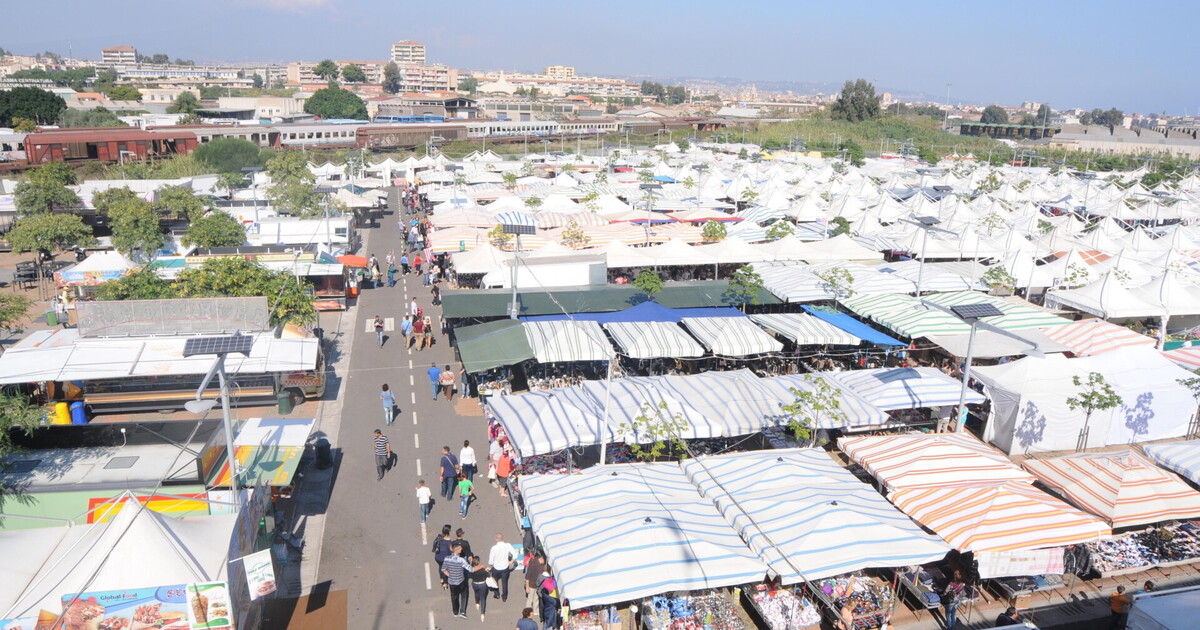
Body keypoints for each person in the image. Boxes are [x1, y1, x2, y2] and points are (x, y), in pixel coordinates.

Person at [442, 544, 471, 619]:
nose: (461, 550)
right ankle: (462, 611)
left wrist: (449, 575)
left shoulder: (447, 559)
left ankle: (455, 611)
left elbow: (443, 569)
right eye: (460, 549)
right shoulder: (461, 560)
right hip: (461, 581)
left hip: (451, 582)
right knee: (464, 595)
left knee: (454, 596)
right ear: (457, 550)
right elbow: (470, 569)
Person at [489, 533, 518, 602]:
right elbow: (515, 554)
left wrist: (492, 565)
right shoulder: (507, 545)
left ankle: (497, 593)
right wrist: (511, 561)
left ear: (496, 539)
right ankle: (504, 596)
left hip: (496, 568)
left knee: (495, 581)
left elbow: (490, 562)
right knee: (505, 583)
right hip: (505, 568)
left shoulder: (494, 548)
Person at [468, 555, 493, 622]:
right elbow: (488, 575)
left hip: (475, 584)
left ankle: (477, 603)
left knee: (476, 593)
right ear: (479, 561)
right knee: (483, 598)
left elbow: (469, 576)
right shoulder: (483, 570)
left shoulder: (472, 570)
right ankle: (482, 613)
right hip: (483, 585)